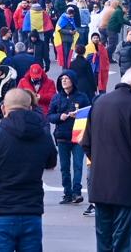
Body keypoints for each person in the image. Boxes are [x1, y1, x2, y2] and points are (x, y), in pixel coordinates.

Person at [0, 87, 57, 252]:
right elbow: (51, 161)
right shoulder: (42, 135)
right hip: (32, 210)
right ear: (30, 108)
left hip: (2, 211)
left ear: (3, 108)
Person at [84, 65, 131, 252]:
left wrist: (102, 163)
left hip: (101, 186)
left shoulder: (100, 102)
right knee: (126, 244)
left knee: (104, 243)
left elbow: (86, 143)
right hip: (128, 188)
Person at [51, 71, 91, 205]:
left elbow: (89, 113)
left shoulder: (82, 97)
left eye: (66, 79)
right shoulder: (56, 98)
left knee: (78, 166)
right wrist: (59, 117)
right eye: (62, 79)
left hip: (78, 136)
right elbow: (50, 116)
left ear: (73, 81)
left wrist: (79, 114)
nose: (64, 81)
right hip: (62, 137)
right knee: (64, 167)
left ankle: (76, 192)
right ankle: (67, 193)